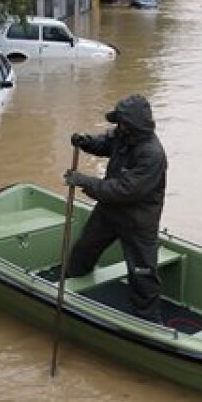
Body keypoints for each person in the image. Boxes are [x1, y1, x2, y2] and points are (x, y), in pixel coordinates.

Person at [62, 94, 168, 323]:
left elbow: (124, 190)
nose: (118, 127)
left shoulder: (152, 154)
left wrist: (84, 181)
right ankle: (70, 287)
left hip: (138, 221)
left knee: (142, 273)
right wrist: (86, 141)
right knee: (83, 250)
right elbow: (106, 144)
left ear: (134, 125)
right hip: (109, 212)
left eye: (122, 123)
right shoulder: (124, 135)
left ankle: (148, 321)